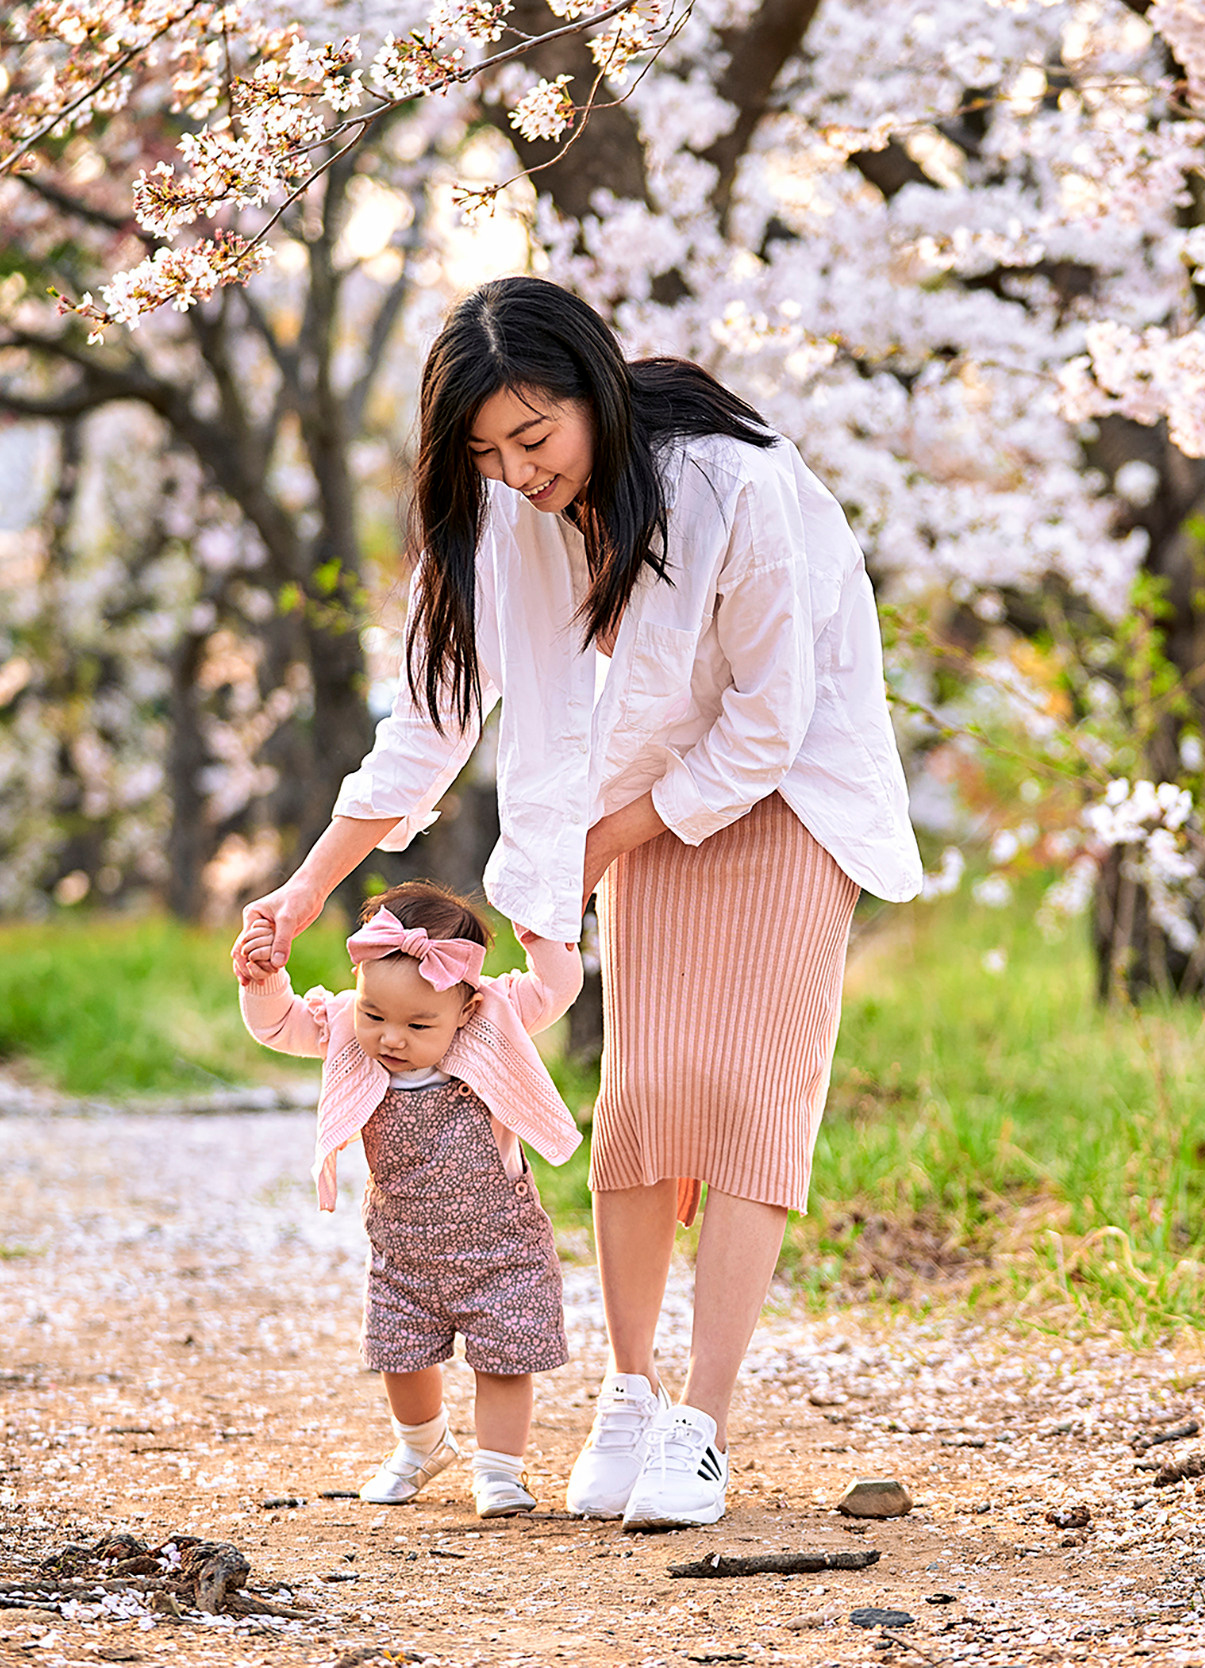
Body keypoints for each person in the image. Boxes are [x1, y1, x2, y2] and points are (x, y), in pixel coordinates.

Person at [232, 275, 922, 1530]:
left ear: (592, 390)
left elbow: (767, 722)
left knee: (748, 1093)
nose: (516, 472)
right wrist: (304, 885)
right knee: (646, 1093)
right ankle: (632, 1392)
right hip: (650, 796)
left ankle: (702, 1424)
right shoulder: (505, 520)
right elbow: (428, 727)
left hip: (791, 792)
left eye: (534, 437)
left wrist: (593, 843)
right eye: (485, 454)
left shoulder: (734, 487)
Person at [236, 879, 583, 1515]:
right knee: (400, 1355)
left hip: (499, 1244)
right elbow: (278, 1025)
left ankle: (499, 1470)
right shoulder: (345, 1028)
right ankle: (422, 1444)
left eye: (418, 1024)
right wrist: (262, 978)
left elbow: (556, 988)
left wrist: (542, 931)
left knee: (505, 1359)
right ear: (359, 989)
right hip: (405, 1247)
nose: (391, 1038)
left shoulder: (494, 1018)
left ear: (465, 1009)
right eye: (375, 1016)